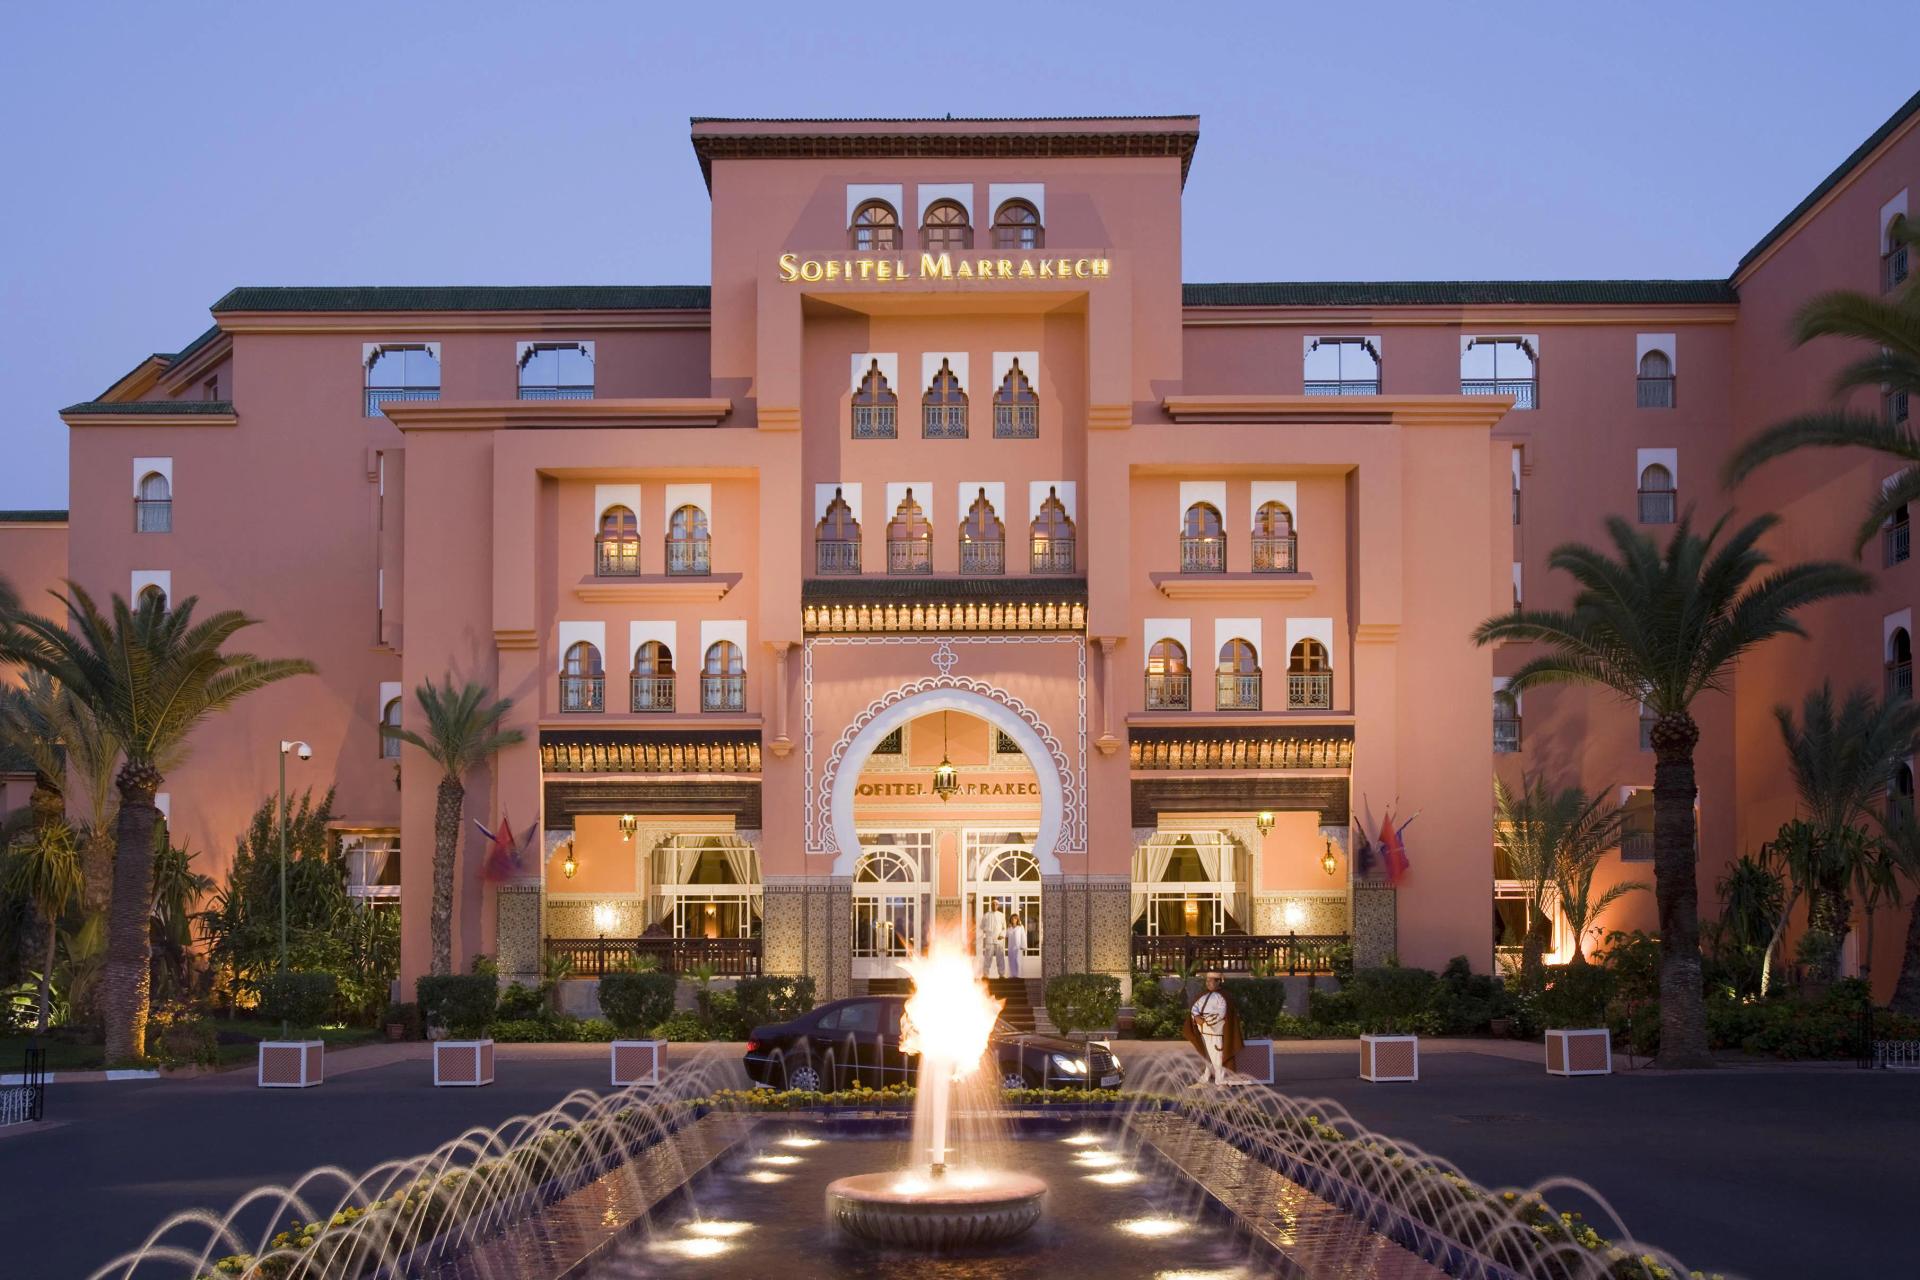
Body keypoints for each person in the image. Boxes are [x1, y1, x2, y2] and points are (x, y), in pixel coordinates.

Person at [1182, 972, 1244, 1085]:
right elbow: (1195, 1007)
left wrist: (1206, 1020)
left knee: (1217, 1057)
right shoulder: (1203, 995)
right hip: (1204, 1031)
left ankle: (1220, 1081)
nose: (1208, 983)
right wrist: (1196, 1017)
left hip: (1216, 1032)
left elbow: (1221, 1013)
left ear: (1218, 982)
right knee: (1207, 1056)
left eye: (1210, 981)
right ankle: (1205, 1078)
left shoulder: (1224, 997)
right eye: (1207, 981)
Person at [978, 901, 1007, 978]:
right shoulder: (986, 915)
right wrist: (987, 931)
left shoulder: (1001, 915)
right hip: (989, 940)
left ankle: (1001, 974)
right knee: (988, 957)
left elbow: (1004, 928)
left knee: (1000, 957)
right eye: (993, 904)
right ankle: (985, 974)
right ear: (991, 905)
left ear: (998, 906)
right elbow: (981, 926)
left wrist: (1002, 935)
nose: (994, 905)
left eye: (996, 904)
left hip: (999, 940)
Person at [1004, 913, 1027, 977]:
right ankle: (1012, 975)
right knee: (1011, 961)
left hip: (1018, 947)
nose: (1013, 920)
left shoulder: (1020, 927)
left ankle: (1018, 975)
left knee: (1017, 961)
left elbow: (1023, 936)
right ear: (1010, 920)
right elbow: (1006, 935)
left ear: (1017, 920)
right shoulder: (1009, 928)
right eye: (1012, 918)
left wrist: (1023, 945)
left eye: (1015, 918)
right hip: (1011, 947)